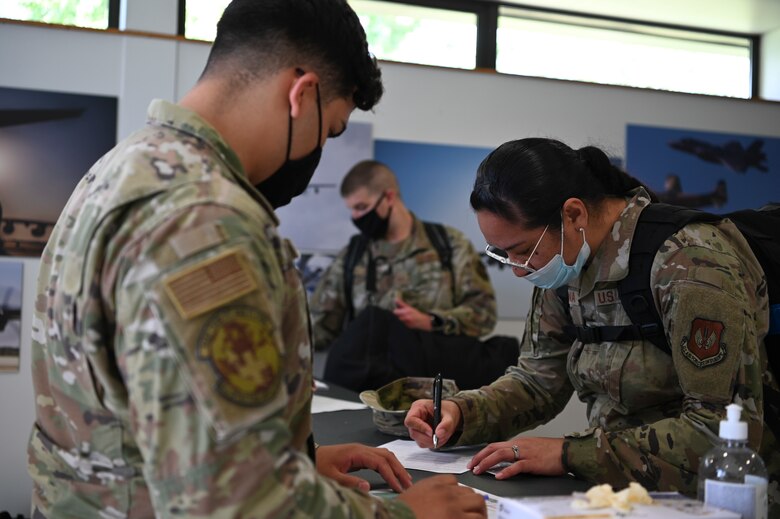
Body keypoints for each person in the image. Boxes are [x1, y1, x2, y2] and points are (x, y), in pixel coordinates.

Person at [27, 1, 486, 517]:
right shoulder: (204, 219)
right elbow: (234, 503)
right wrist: (406, 515)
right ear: (302, 94)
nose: (319, 153)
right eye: (330, 131)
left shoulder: (120, 169)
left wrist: (296, 462)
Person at [404, 137, 779, 512]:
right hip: (621, 494)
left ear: (574, 215)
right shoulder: (564, 266)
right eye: (503, 254)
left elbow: (721, 430)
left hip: (713, 500)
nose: (518, 269)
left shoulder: (689, 264)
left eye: (523, 251)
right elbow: (536, 382)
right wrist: (461, 413)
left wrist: (571, 454)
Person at [310, 160, 512, 391]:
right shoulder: (353, 256)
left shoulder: (448, 245)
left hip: (438, 394)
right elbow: (319, 326)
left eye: (361, 207)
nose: (356, 217)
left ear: (388, 197)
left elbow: (483, 314)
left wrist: (432, 321)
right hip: (370, 394)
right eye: (352, 210)